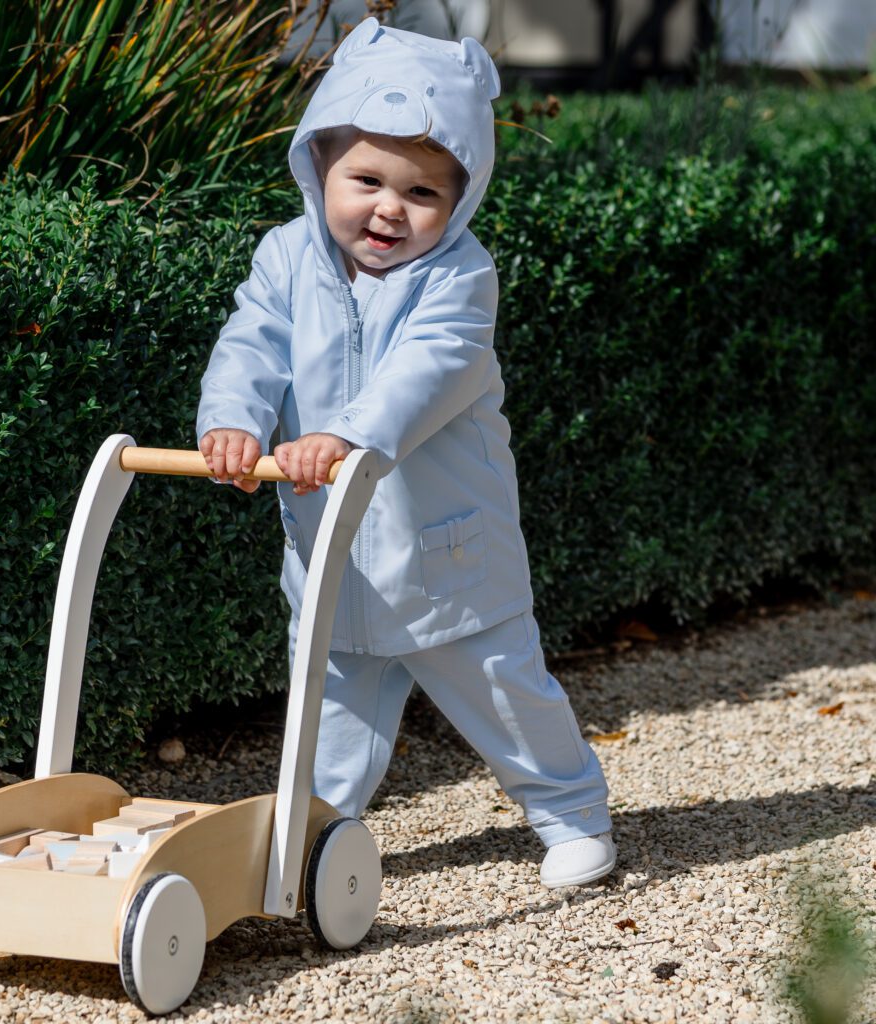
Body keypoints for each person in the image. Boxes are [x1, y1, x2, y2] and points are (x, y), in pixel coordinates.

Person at [196, 19, 615, 887]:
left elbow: (430, 372)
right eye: (367, 180)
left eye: (423, 193)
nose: (389, 207)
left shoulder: (460, 278)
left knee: (507, 692)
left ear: (460, 201)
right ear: (319, 167)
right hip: (333, 557)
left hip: (449, 553)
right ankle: (311, 840)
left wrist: (345, 435)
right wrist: (232, 419)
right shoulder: (286, 257)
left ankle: (571, 812)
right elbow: (251, 343)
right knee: (328, 708)